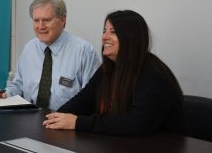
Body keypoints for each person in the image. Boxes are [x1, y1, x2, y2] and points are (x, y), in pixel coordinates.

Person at [43, 10, 187, 135]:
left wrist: (78, 123)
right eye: (104, 31)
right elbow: (82, 101)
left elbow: (137, 123)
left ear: (130, 38)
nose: (104, 37)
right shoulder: (109, 68)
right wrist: (57, 118)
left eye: (113, 32)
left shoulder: (153, 74)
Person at [0, 0, 100, 110]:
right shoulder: (29, 49)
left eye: (46, 20)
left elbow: (92, 99)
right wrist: (4, 95)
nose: (41, 26)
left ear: (63, 19)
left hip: (66, 123)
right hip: (29, 120)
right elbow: (18, 86)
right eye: (36, 20)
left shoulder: (85, 52)